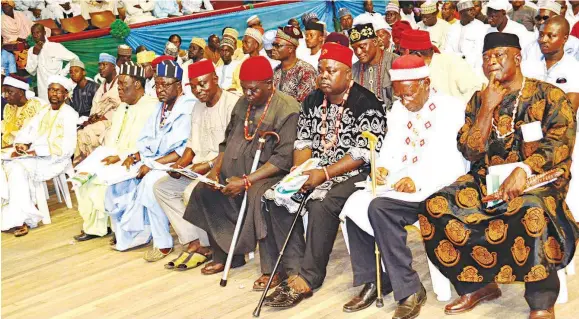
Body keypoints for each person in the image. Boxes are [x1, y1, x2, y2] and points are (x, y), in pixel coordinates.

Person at [422, 32, 578, 319]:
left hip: (537, 180)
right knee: (436, 205)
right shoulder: (477, 100)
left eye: (498, 55)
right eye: (485, 58)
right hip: (487, 179)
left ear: (517, 58)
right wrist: (487, 108)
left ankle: (541, 301)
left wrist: (525, 168)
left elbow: (560, 141)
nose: (491, 62)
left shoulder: (548, 94)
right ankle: (478, 284)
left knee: (530, 210)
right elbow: (470, 151)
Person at [261, 42, 387, 308]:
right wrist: (300, 171)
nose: (324, 76)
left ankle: (310, 277)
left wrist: (325, 173)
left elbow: (363, 153)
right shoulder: (313, 99)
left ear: (348, 74)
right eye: (321, 70)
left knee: (321, 202)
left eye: (331, 70)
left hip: (356, 170)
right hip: (317, 167)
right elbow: (303, 142)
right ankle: (295, 270)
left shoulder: (367, 102)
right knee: (278, 196)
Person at [340, 55, 467, 317]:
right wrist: (383, 169)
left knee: (379, 208)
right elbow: (391, 150)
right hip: (402, 183)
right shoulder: (399, 109)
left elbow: (453, 161)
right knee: (353, 204)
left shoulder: (450, 109)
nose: (404, 102)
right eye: (399, 96)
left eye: (409, 95)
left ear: (426, 83)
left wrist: (419, 180)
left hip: (439, 186)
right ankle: (376, 279)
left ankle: (409, 289)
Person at [180, 56, 299, 275]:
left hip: (267, 176)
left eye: (253, 90)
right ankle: (226, 255)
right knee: (204, 191)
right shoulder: (243, 102)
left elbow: (282, 159)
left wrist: (246, 181)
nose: (248, 95)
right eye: (244, 89)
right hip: (235, 171)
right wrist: (215, 171)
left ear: (269, 84)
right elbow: (226, 143)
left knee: (257, 198)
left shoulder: (287, 109)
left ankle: (272, 270)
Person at [152, 59, 239, 267]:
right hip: (198, 169)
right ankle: (194, 241)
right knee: (161, 188)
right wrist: (181, 165)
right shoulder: (198, 107)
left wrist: (208, 166)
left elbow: (233, 147)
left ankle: (208, 244)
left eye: (203, 83)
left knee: (191, 192)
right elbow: (191, 144)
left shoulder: (232, 104)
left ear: (215, 79)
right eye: (194, 86)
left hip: (224, 168)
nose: (199, 90)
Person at [104, 60, 193, 253]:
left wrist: (151, 165)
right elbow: (146, 139)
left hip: (179, 164)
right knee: (118, 179)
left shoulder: (186, 108)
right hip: (153, 160)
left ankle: (163, 243)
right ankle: (135, 233)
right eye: (158, 84)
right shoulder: (160, 108)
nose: (160, 89)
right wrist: (136, 156)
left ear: (178, 86)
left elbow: (180, 151)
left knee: (149, 183)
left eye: (165, 85)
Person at [73, 62, 158, 242]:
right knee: (84, 176)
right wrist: (104, 155)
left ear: (137, 84)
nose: (118, 89)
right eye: (118, 85)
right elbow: (113, 139)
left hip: (136, 160)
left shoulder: (152, 107)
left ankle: (126, 230)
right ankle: (96, 227)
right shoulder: (122, 107)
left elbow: (148, 144)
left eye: (122, 85)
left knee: (101, 182)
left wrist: (119, 156)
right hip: (114, 156)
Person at [2, 76, 77, 237]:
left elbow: (67, 148)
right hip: (35, 155)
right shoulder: (44, 111)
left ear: (65, 94)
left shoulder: (70, 114)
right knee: (5, 165)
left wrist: (37, 151)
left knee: (15, 168)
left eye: (58, 90)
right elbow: (28, 131)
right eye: (51, 89)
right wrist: (23, 143)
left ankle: (23, 219)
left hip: (54, 159)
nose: (54, 94)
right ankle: (13, 214)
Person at [400, 29, 484, 103]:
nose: (400, 59)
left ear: (417, 55)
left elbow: (476, 90)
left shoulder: (451, 62)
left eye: (401, 54)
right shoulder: (410, 73)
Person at [73, 53, 121, 165]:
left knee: (87, 132)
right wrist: (92, 119)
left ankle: (88, 162)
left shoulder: (120, 82)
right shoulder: (103, 85)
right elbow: (96, 107)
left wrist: (97, 119)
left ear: (113, 66)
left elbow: (119, 106)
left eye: (104, 65)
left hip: (114, 122)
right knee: (80, 132)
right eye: (99, 65)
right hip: (100, 121)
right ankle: (84, 162)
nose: (100, 68)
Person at [350, 23, 399, 107]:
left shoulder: (395, 62)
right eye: (354, 49)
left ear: (375, 42)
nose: (358, 52)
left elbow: (400, 101)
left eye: (362, 47)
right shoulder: (353, 70)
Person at [25, 23, 77, 102]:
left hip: (58, 89)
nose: (35, 35)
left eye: (38, 32)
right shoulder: (31, 51)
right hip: (43, 92)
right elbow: (31, 71)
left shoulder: (55, 47)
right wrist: (35, 54)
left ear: (44, 33)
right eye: (33, 33)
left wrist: (62, 74)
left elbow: (75, 58)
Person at [271, 26, 317, 103]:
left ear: (291, 49)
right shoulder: (274, 71)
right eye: (273, 45)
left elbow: (303, 105)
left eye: (277, 45)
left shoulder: (306, 71)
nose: (273, 48)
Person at [445, 1, 489, 74]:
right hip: (452, 66)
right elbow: (448, 49)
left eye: (473, 9)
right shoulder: (453, 28)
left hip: (472, 68)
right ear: (461, 13)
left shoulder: (480, 27)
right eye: (469, 10)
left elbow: (478, 52)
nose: (473, 12)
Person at [1, 76, 43, 148]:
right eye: (4, 92)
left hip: (25, 149)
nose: (5, 96)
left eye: (10, 92)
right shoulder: (8, 107)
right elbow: (5, 126)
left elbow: (34, 135)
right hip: (6, 148)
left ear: (21, 93)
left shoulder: (35, 106)